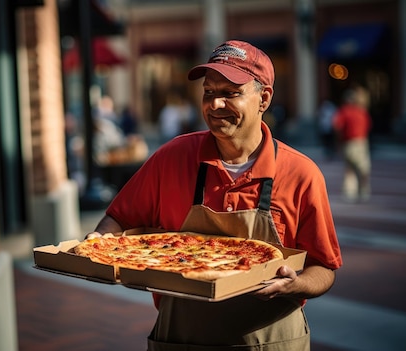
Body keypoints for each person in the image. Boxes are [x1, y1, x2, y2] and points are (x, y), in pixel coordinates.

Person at [86, 40, 342, 350]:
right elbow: (118, 217)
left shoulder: (301, 174)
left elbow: (324, 268)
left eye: (230, 93)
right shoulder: (171, 158)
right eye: (209, 92)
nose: (215, 104)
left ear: (264, 98)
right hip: (182, 337)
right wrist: (98, 245)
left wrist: (296, 284)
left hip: (270, 341)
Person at [332, 86, 373, 202]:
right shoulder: (362, 111)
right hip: (361, 142)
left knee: (349, 168)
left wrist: (338, 139)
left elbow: (336, 125)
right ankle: (363, 191)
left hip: (349, 142)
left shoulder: (344, 111)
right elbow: (368, 126)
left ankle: (349, 192)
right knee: (363, 169)